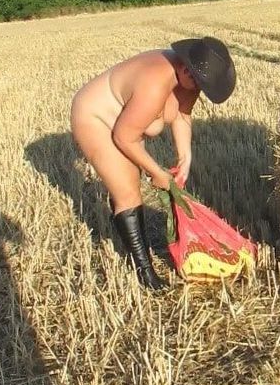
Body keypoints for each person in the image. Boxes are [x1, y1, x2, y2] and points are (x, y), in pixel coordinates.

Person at [71, 36, 236, 290]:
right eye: (193, 75)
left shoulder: (191, 81)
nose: (194, 82)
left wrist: (185, 157)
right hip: (97, 117)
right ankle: (145, 273)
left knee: (129, 177)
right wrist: (157, 172)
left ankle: (127, 225)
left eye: (200, 82)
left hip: (127, 124)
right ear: (186, 63)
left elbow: (182, 116)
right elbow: (124, 137)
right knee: (128, 192)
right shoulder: (155, 83)